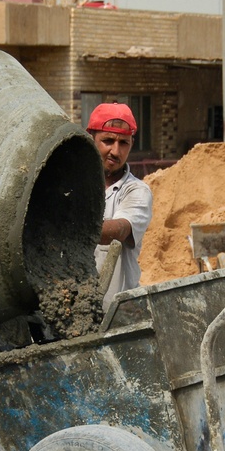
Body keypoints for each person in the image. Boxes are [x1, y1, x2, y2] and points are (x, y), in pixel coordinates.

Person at [87, 103, 153, 308]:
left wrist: (65, 227)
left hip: (118, 312)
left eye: (123, 143)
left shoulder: (136, 191)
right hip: (73, 309)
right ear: (91, 140)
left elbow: (120, 230)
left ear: (132, 143)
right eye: (108, 141)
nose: (116, 151)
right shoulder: (74, 186)